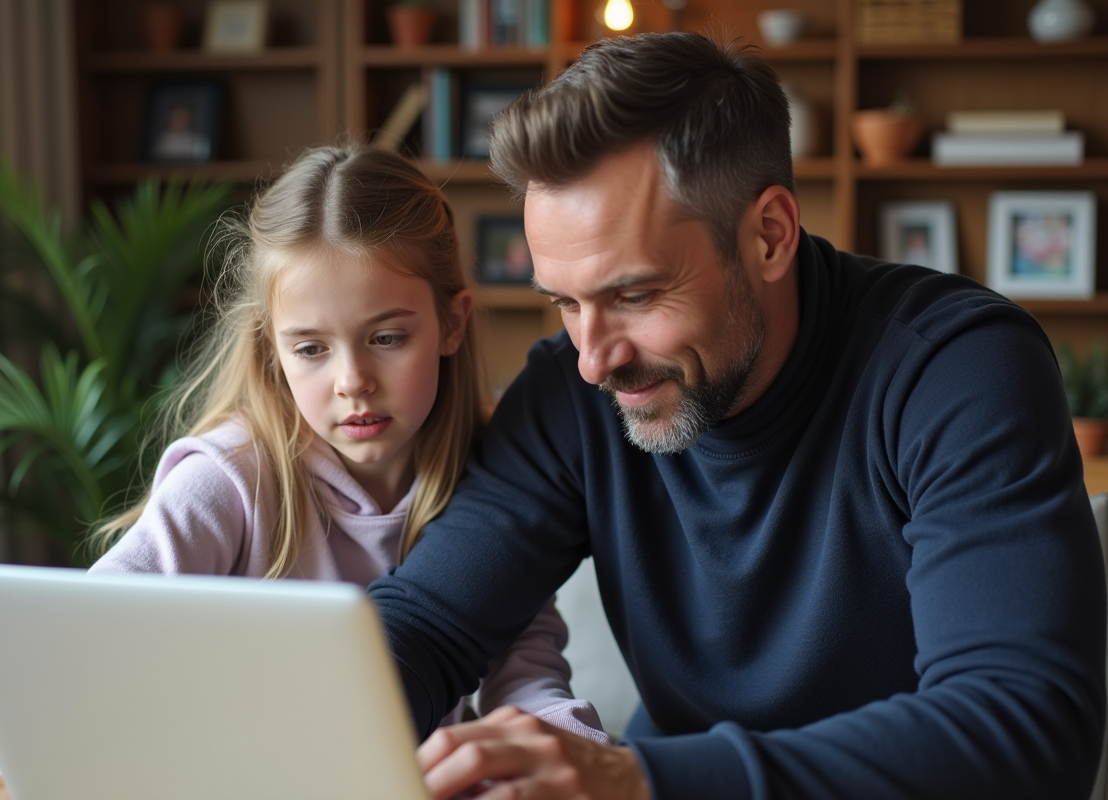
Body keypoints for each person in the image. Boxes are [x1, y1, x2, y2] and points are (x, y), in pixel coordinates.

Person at [366, 32, 1107, 800]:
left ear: (770, 235)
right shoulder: (570, 390)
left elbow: (1026, 729)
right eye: (564, 303)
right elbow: (429, 625)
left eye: (634, 295)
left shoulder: (955, 369)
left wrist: (637, 780)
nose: (594, 358)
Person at [84, 143, 607, 741]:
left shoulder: (502, 475)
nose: (352, 381)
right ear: (271, 350)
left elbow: (525, 678)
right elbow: (83, 649)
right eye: (310, 348)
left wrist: (582, 754)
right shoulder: (227, 481)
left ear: (452, 323)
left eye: (386, 338)